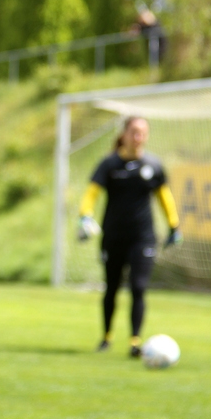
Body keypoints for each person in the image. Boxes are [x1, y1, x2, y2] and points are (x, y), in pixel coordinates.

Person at [78, 115, 181, 357]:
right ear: (124, 134)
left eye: (142, 132)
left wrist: (174, 226)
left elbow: (164, 197)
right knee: (111, 287)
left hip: (143, 237)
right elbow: (91, 193)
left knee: (138, 287)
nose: (138, 137)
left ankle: (135, 342)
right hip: (113, 236)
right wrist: (85, 215)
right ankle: (106, 338)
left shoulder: (153, 166)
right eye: (134, 131)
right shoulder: (109, 165)